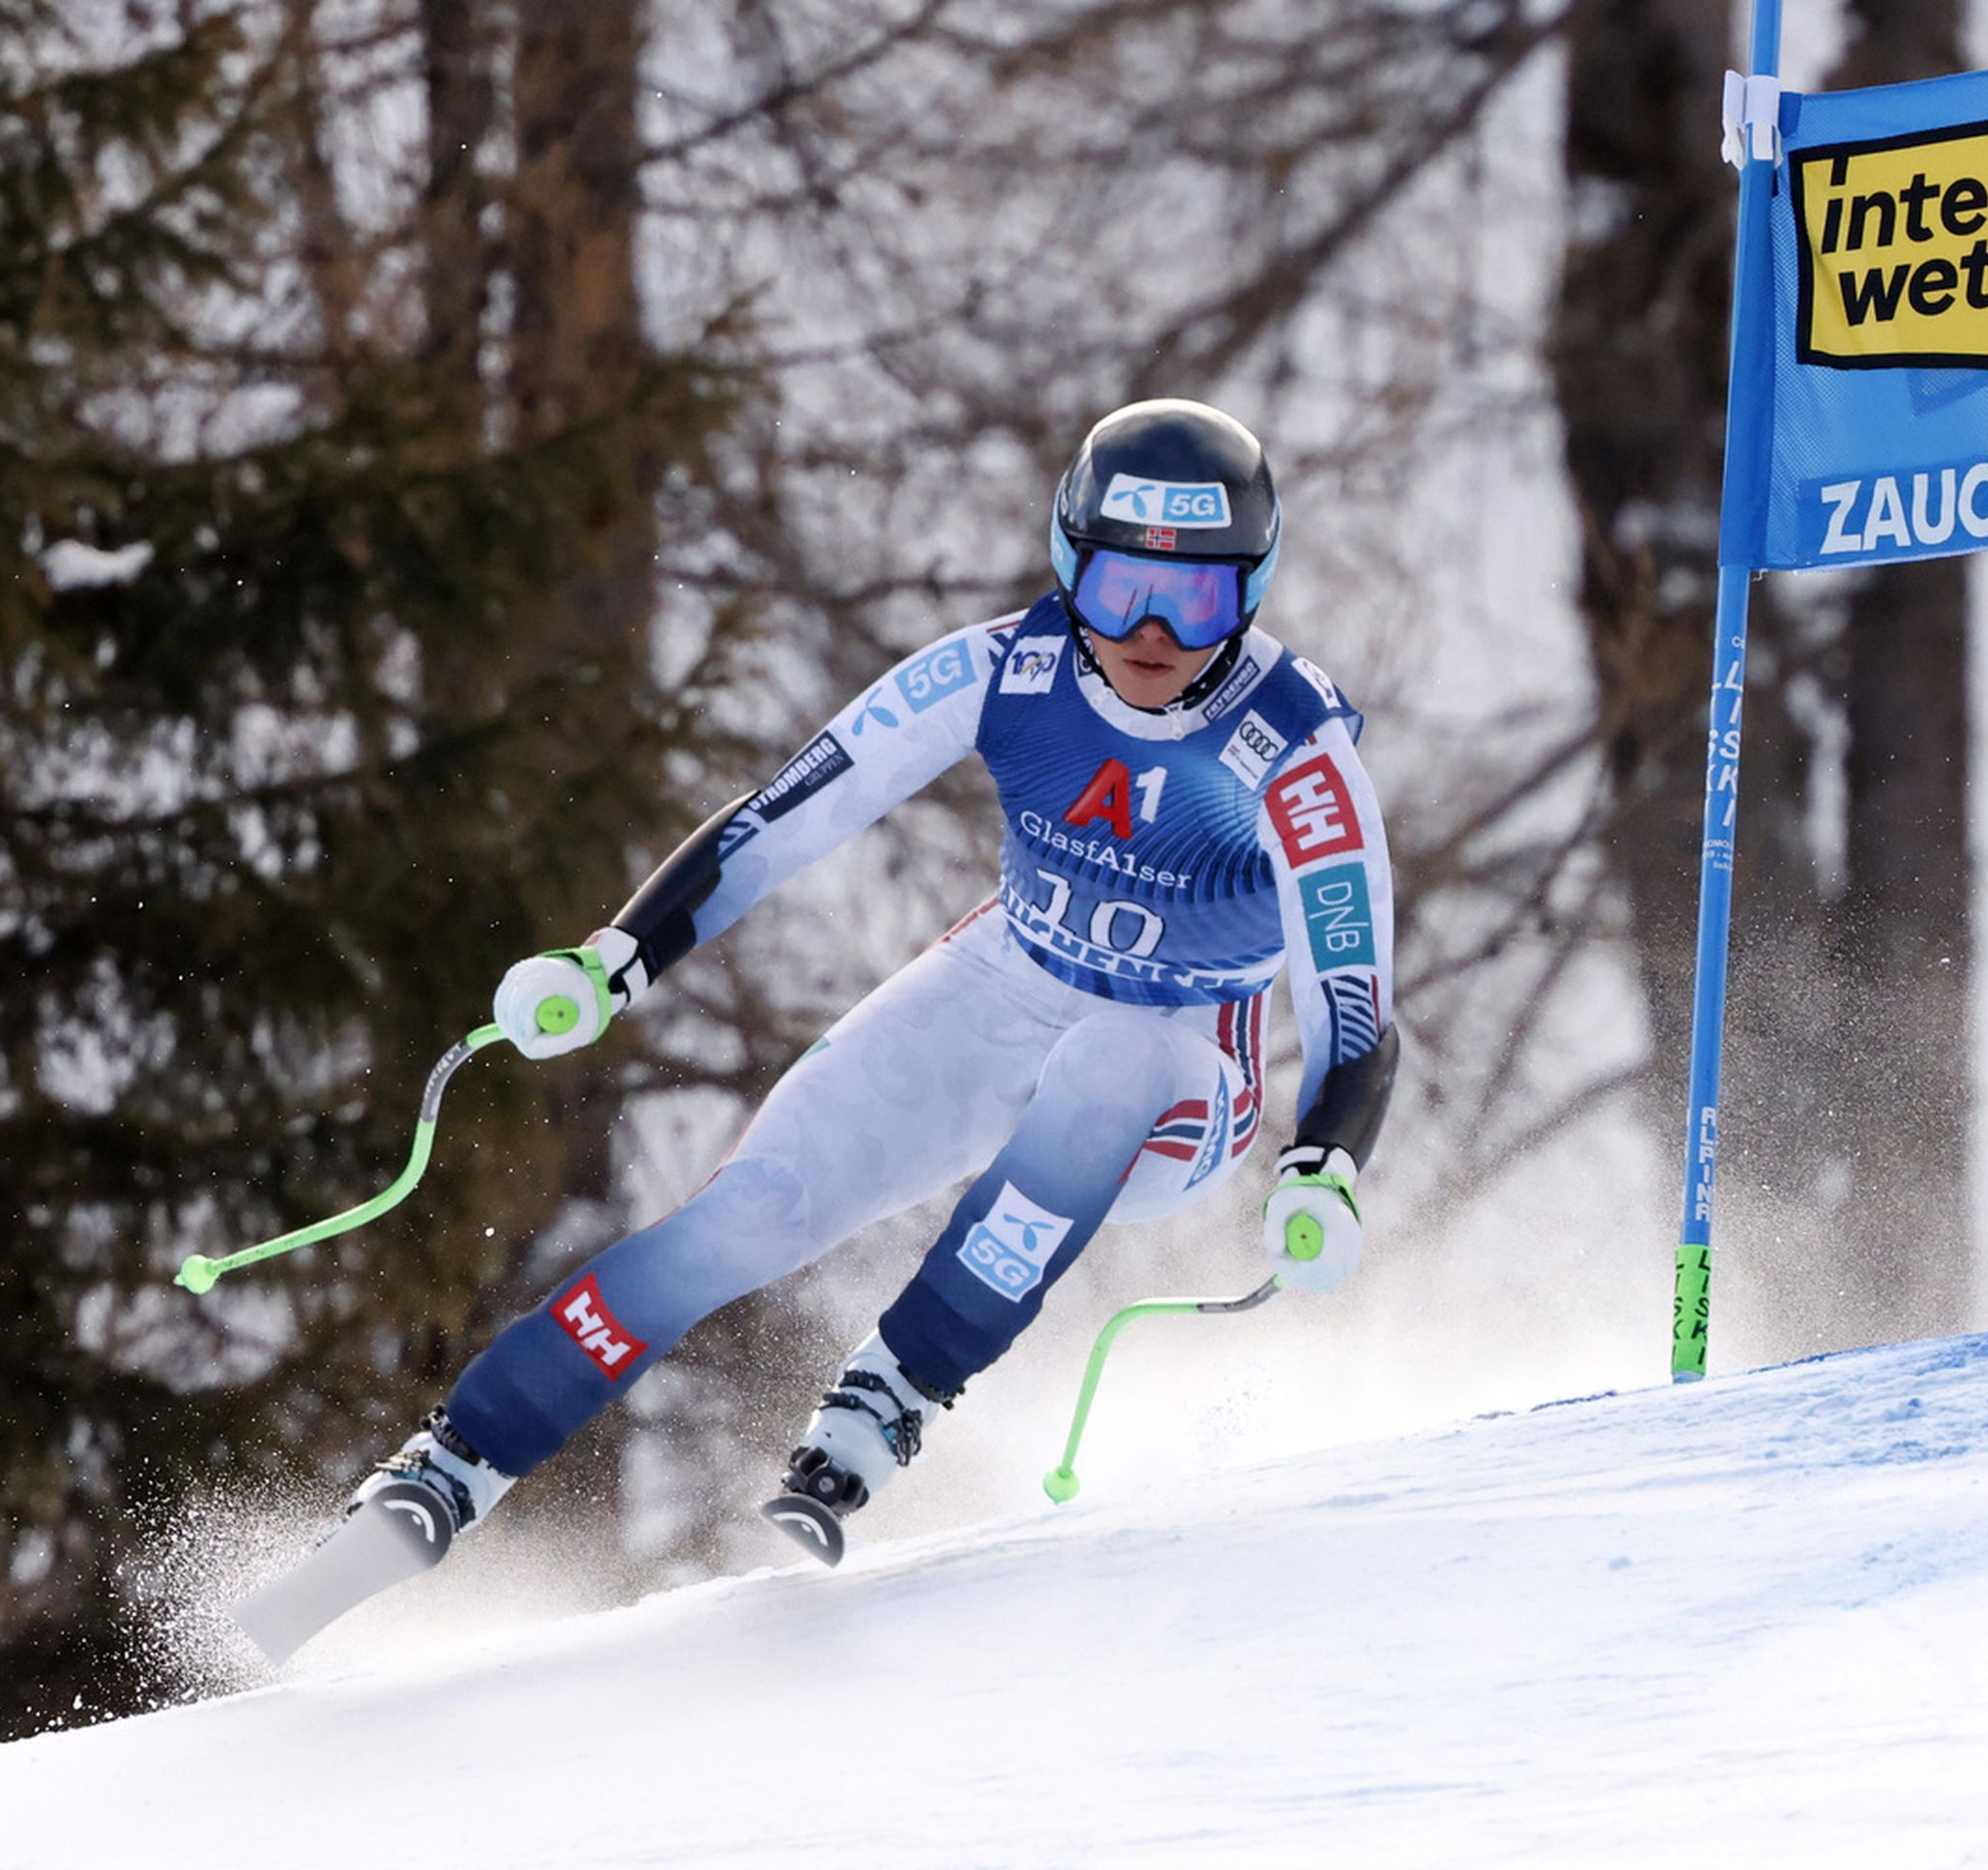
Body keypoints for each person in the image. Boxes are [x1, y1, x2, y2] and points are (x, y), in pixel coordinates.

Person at [232, 398, 1401, 1662]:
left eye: (1199, 603)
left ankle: (896, 1387)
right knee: (749, 1217)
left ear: (1253, 595)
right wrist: (618, 958)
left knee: (1112, 1058)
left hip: (1179, 1069)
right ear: (1070, 567)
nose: (1155, 636)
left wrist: (1323, 1165)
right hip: (999, 987)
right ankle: (452, 1464)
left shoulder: (1293, 754)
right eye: (1120, 592)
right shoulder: (1004, 669)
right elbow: (787, 814)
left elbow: (1354, 1003)